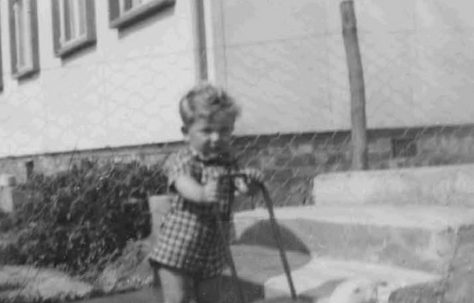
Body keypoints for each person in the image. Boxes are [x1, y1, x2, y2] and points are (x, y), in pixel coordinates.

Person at [149, 83, 264, 303]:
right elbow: (182, 183)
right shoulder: (184, 159)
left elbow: (242, 187)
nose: (216, 138)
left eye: (224, 130)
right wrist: (201, 193)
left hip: (213, 250)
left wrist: (252, 183)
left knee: (210, 299)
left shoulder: (228, 162)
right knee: (178, 299)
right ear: (186, 133)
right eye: (207, 130)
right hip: (178, 248)